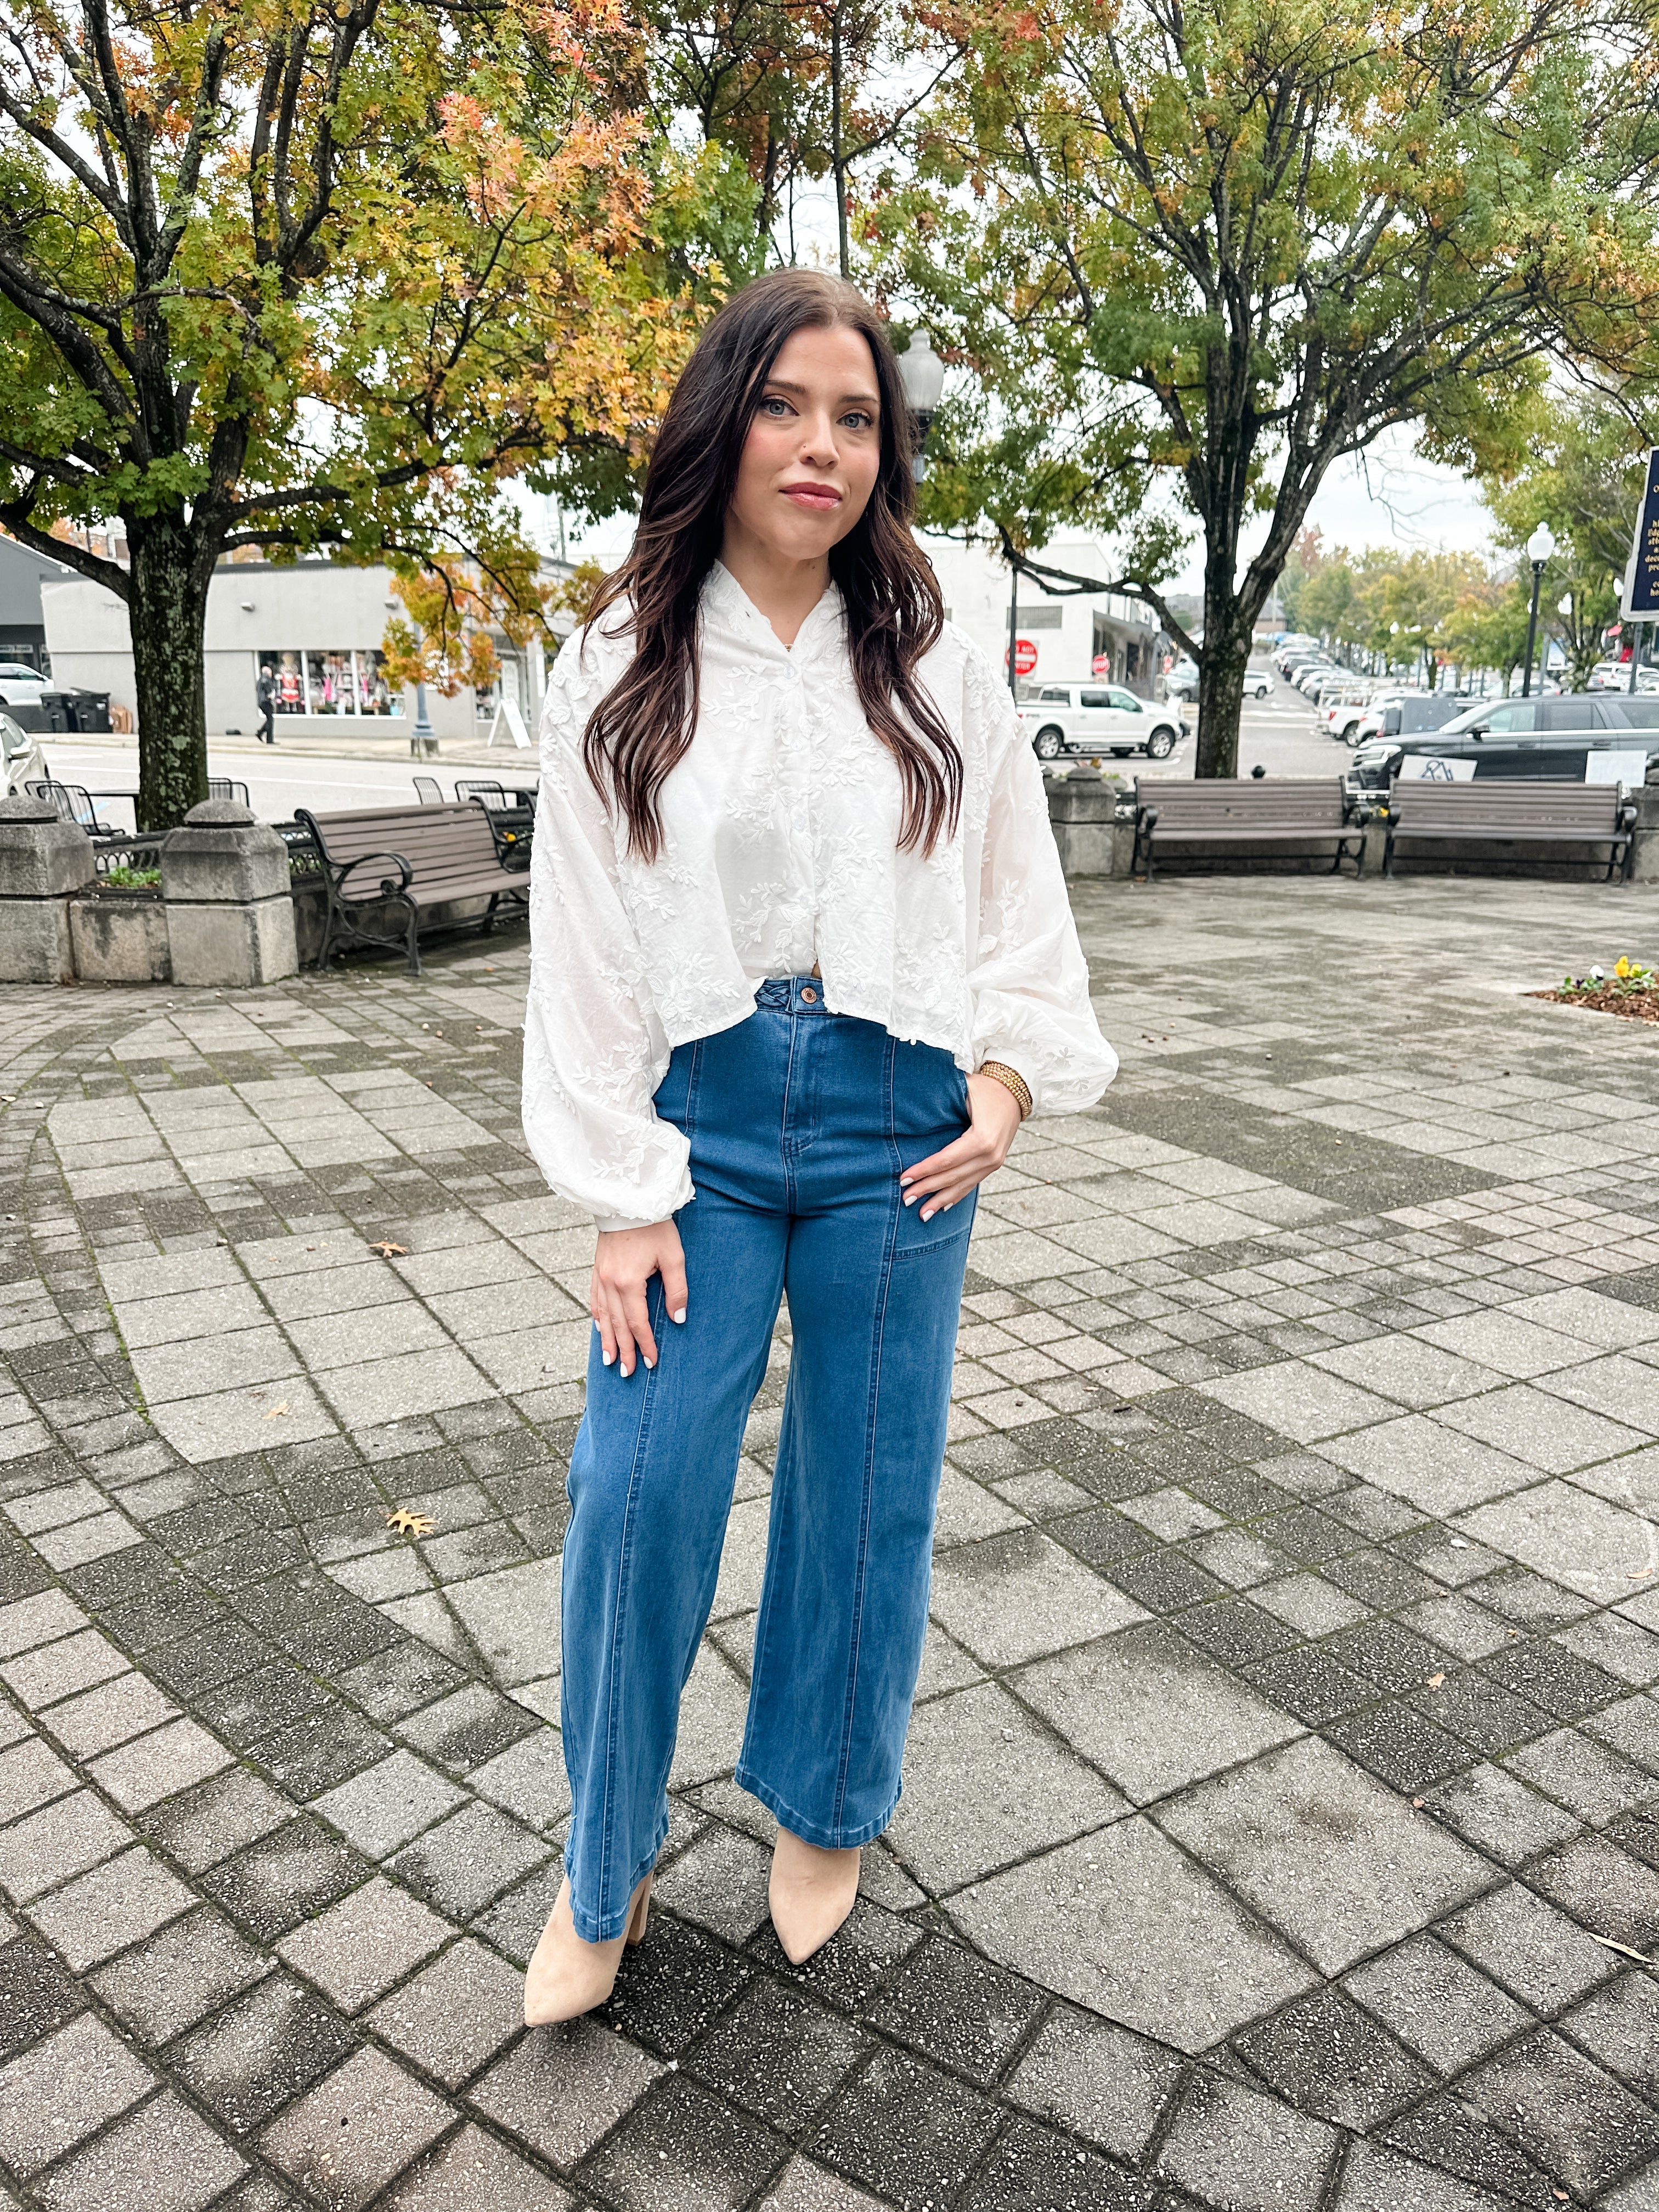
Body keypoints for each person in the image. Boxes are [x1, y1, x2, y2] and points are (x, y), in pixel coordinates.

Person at [520, 268, 1116, 2025]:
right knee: (636, 1495)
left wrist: (1005, 1081)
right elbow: (585, 938)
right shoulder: (621, 655)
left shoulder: (929, 646)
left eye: (857, 417)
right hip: (696, 1122)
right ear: (727, 420)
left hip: (896, 1119)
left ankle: (829, 1802)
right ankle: (602, 1862)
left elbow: (1014, 878)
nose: (822, 446)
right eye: (787, 404)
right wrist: (620, 1195)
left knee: (868, 1491)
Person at [256, 662, 276, 745]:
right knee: (270, 720)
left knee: (269, 719)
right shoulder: (265, 679)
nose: (271, 674)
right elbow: (269, 689)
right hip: (266, 701)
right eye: (270, 672)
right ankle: (269, 739)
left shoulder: (260, 680)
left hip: (261, 702)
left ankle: (260, 733)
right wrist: (270, 694)